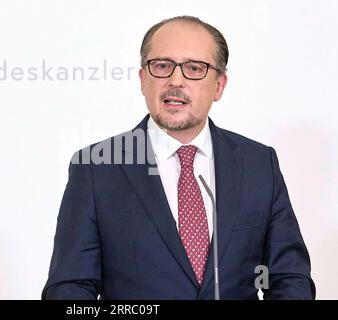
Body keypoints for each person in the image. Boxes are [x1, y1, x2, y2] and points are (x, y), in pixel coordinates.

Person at [42, 16, 315, 300]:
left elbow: (288, 278)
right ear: (143, 80)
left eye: (194, 68)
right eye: (162, 66)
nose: (175, 80)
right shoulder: (97, 168)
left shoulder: (259, 164)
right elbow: (70, 288)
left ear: (219, 85)